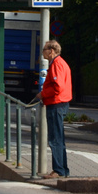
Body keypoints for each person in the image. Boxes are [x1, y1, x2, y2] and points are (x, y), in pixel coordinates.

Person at [38, 39, 72, 179]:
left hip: (56, 104)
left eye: (45, 49)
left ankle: (58, 170)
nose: (43, 52)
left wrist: (43, 94)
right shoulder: (61, 63)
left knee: (55, 139)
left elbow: (58, 86)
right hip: (60, 103)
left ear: (51, 51)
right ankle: (62, 169)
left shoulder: (56, 64)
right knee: (59, 138)